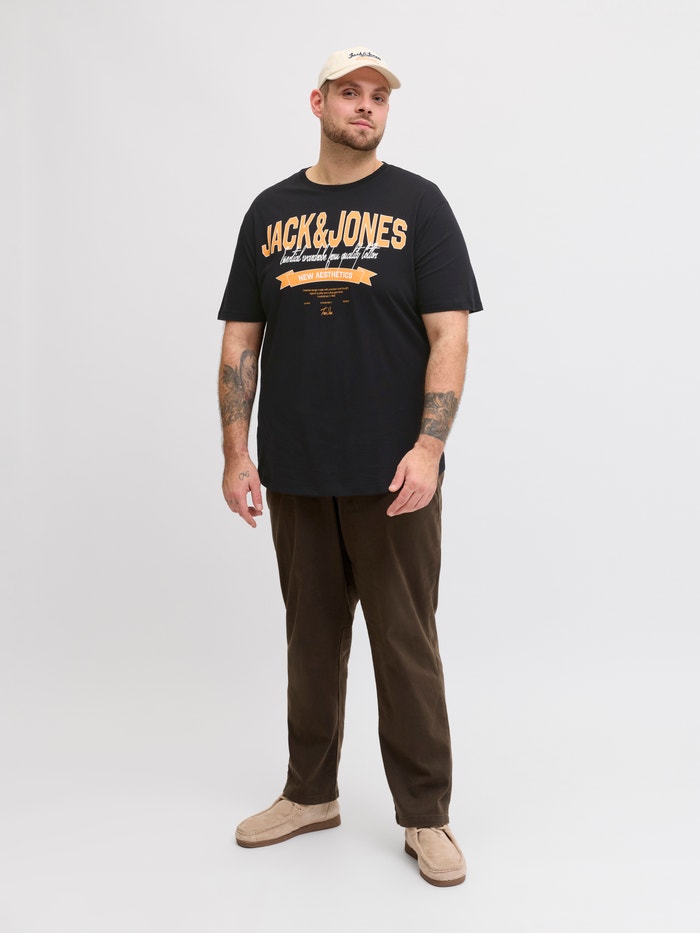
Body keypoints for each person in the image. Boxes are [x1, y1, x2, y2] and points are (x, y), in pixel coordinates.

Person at [217, 45, 482, 888]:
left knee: (406, 647)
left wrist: (429, 448)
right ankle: (309, 794)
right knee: (310, 641)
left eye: (378, 96)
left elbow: (449, 334)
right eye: (349, 92)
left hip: (393, 475)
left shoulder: (419, 204)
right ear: (319, 102)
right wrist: (235, 451)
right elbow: (241, 339)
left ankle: (426, 815)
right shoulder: (270, 211)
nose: (365, 106)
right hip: (295, 470)